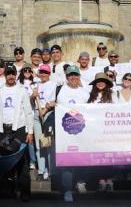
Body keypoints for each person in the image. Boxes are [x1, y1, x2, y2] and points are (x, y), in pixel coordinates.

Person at [0, 65, 34, 202]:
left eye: (12, 74)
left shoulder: (22, 90)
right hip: (1, 129)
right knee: (1, 160)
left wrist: (30, 132)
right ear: (5, 75)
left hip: (19, 129)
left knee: (21, 161)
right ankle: (3, 190)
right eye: (8, 74)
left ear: (16, 75)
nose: (10, 76)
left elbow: (28, 112)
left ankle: (25, 191)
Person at [52, 65, 90, 202]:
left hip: (81, 132)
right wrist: (51, 105)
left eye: (75, 75)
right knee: (67, 162)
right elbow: (50, 104)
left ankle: (80, 182)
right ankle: (68, 190)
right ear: (67, 77)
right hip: (64, 132)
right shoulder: (59, 90)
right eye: (70, 75)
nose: (73, 77)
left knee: (80, 159)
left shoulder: (85, 92)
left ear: (79, 77)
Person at [88, 73, 115, 192]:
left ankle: (109, 180)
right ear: (95, 83)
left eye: (103, 81)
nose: (100, 83)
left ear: (107, 83)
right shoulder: (90, 96)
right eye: (98, 81)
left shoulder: (113, 95)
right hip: (95, 130)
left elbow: (119, 109)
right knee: (98, 156)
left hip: (109, 130)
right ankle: (101, 180)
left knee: (109, 156)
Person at [31, 64, 55, 181]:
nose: (43, 74)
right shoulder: (36, 85)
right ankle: (41, 170)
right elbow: (32, 99)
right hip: (37, 114)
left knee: (48, 143)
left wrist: (46, 109)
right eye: (41, 72)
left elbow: (54, 101)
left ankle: (51, 171)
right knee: (39, 144)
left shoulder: (53, 84)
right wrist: (33, 96)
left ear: (49, 74)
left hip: (48, 115)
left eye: (45, 72)